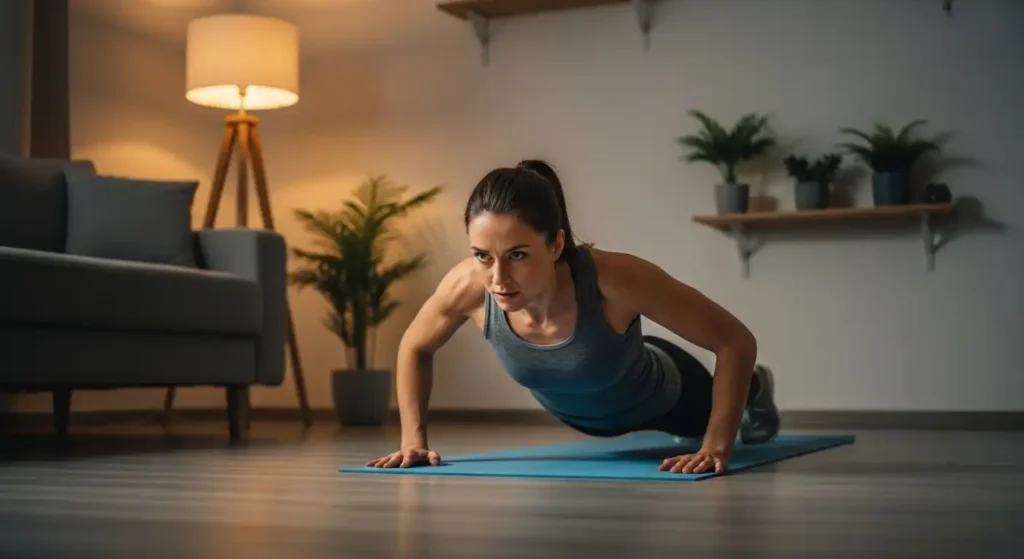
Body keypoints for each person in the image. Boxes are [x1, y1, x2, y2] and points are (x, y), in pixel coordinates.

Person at [366, 159, 780, 475]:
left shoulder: (614, 279)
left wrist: (716, 445)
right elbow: (414, 346)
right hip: (596, 414)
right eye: (482, 256)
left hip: (666, 395)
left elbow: (734, 340)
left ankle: (756, 389)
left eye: (518, 255)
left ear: (556, 243)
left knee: (701, 420)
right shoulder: (467, 286)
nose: (498, 277)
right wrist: (413, 441)